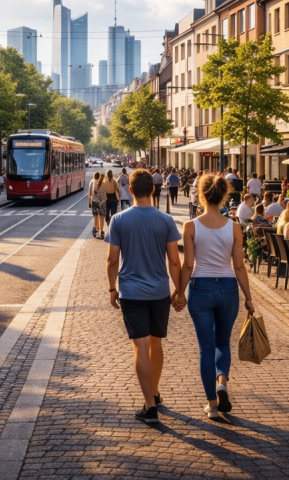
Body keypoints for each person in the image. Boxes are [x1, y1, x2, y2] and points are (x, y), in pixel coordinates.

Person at [175, 172, 255, 420]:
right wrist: (248, 297)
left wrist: (179, 292)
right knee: (223, 342)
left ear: (201, 194)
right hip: (229, 288)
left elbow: (188, 264)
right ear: (224, 197)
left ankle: (211, 404)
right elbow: (239, 266)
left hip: (200, 287)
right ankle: (222, 382)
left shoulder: (191, 226)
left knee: (205, 347)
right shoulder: (234, 227)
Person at [105, 168, 182, 425]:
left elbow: (112, 260)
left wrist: (111, 288)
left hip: (131, 292)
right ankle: (155, 392)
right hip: (159, 291)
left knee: (140, 347)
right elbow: (174, 260)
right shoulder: (166, 220)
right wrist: (179, 289)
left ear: (129, 190)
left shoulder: (118, 220)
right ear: (153, 190)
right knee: (156, 345)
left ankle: (150, 405)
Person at [88, 172, 106, 239]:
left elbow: (90, 195)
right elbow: (105, 196)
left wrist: (89, 203)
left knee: (96, 216)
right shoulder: (104, 184)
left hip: (94, 202)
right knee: (102, 217)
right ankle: (101, 231)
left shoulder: (92, 183)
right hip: (102, 202)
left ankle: (96, 230)